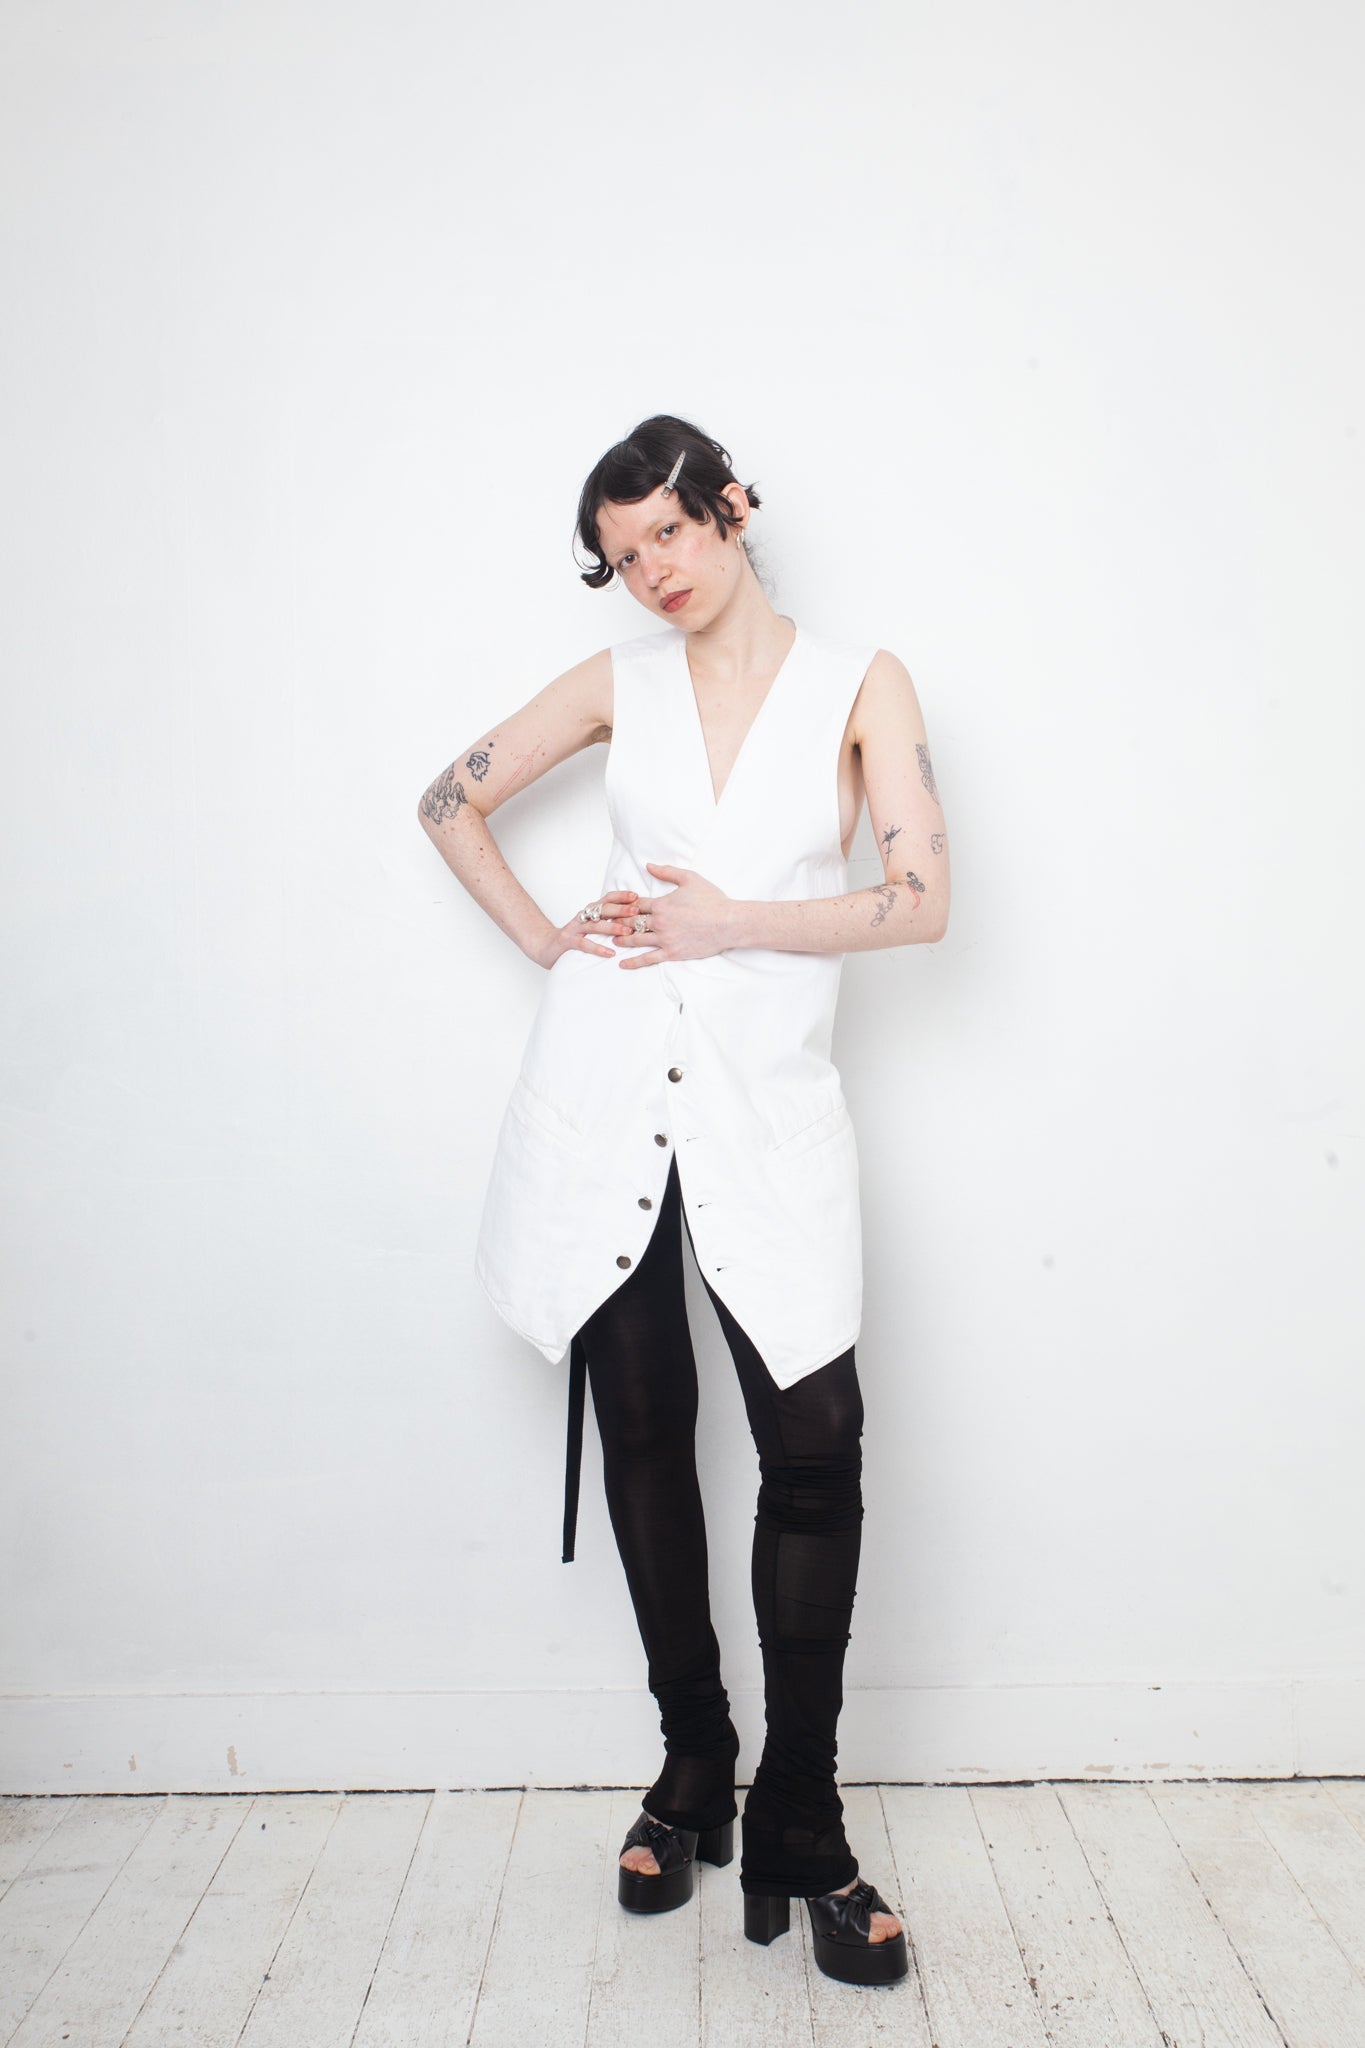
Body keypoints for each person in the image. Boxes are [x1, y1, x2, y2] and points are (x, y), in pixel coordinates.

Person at [418, 414, 949, 1988]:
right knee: (645, 1429)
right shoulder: (617, 686)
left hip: (762, 1118)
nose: (651, 569)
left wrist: (736, 925)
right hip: (607, 1108)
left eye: (667, 531)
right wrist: (546, 942)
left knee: (815, 1447)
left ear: (732, 507)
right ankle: (694, 1759)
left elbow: (922, 902)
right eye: (622, 552)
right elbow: (444, 801)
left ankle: (802, 1815)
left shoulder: (860, 685)